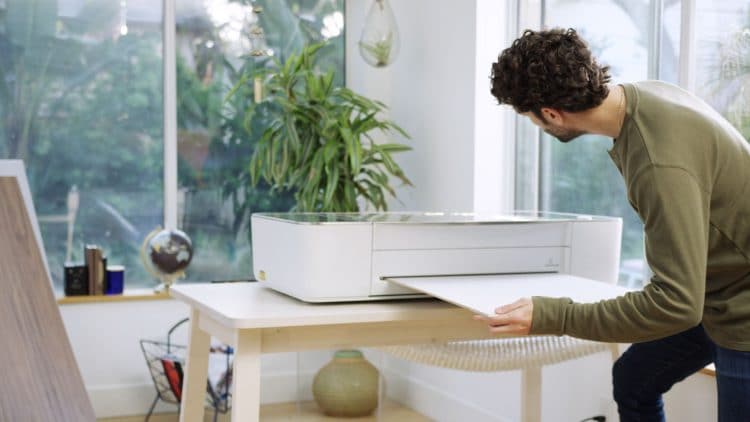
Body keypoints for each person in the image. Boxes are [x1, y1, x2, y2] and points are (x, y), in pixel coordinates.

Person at [476, 28, 750, 421]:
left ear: (551, 113)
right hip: (714, 292)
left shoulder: (658, 162)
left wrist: (552, 315)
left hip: (742, 307)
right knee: (634, 380)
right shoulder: (645, 98)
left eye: (532, 118)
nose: (539, 126)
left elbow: (676, 304)